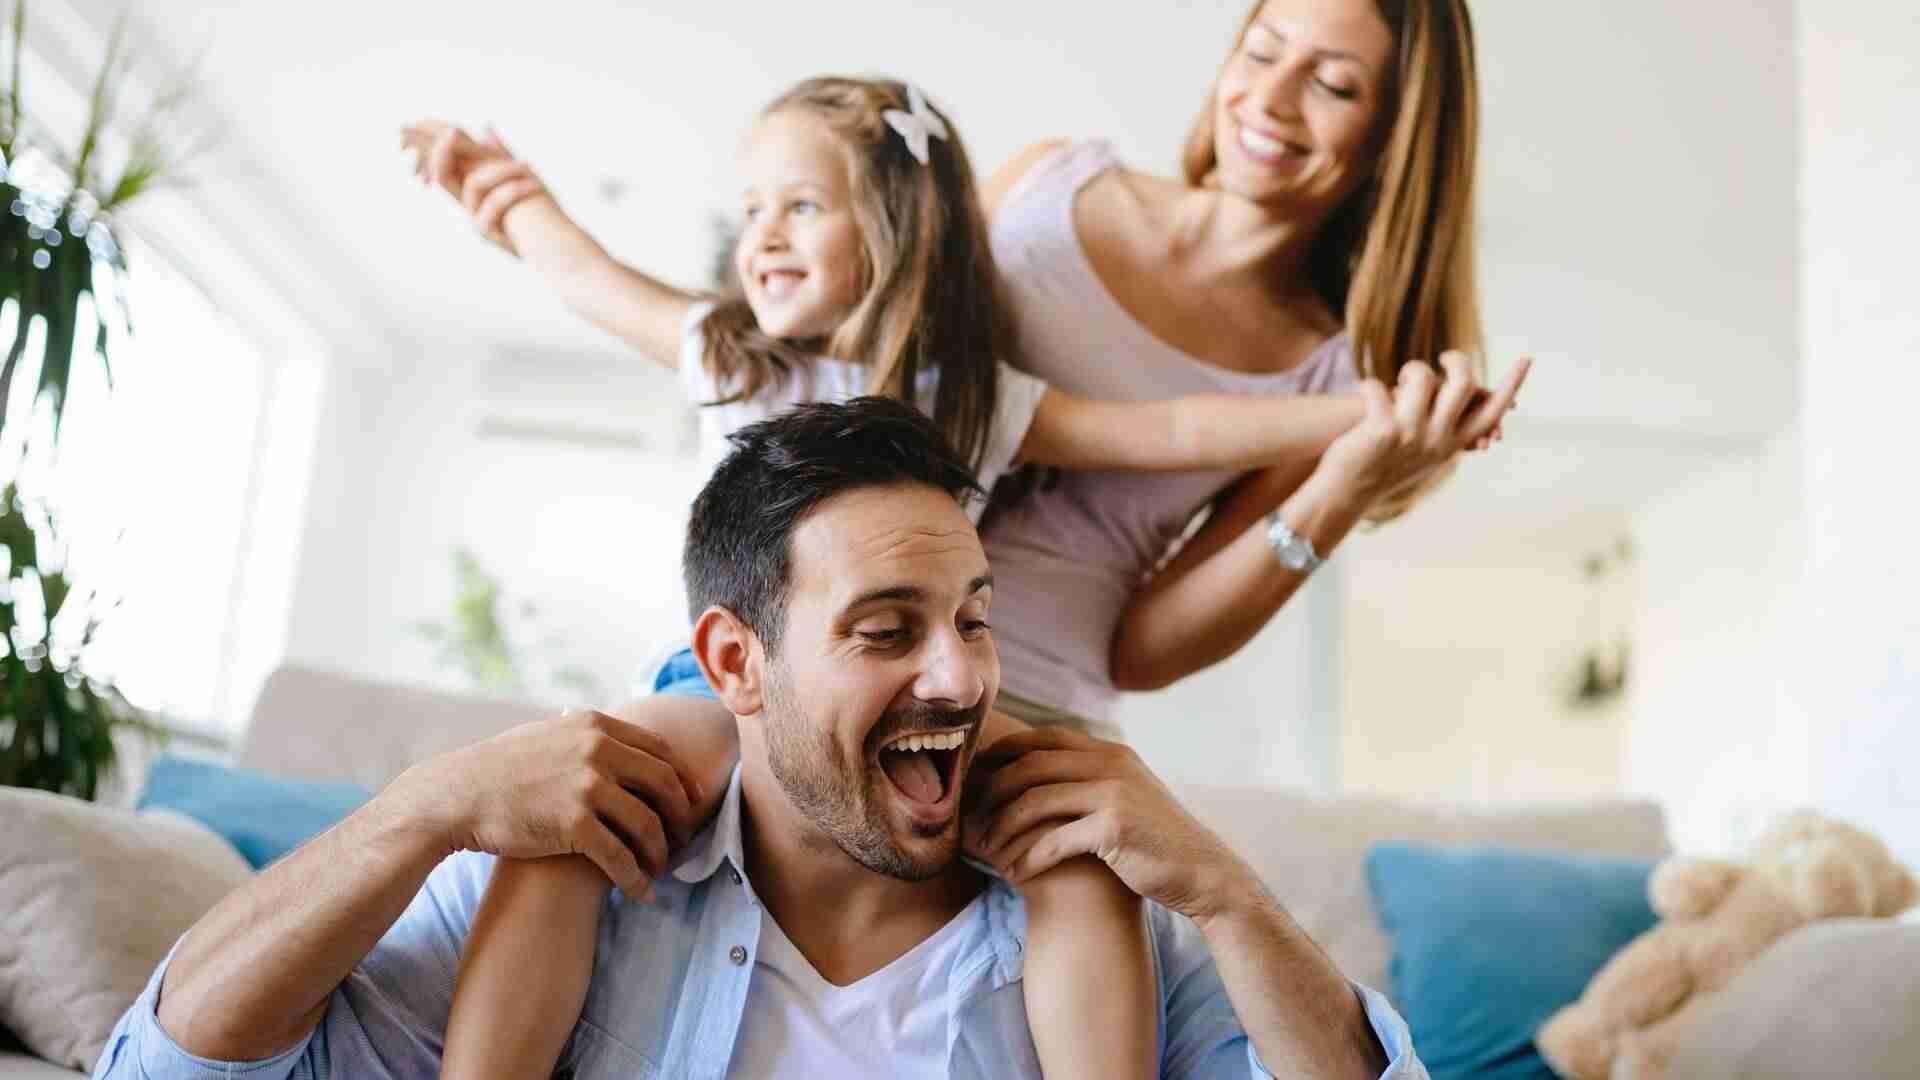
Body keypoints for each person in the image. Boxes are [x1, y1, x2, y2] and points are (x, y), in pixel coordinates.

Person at [398, 71, 1511, 1079]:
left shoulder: (979, 396)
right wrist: (508, 198)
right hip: (715, 698)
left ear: (891, 229)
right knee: (577, 814)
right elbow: (587, 278)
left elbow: (1172, 429)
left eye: (800, 205)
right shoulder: (728, 352)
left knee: (1077, 857)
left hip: (932, 719)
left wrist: (1372, 417)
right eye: (753, 209)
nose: (762, 235)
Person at [93, 397, 1426, 1079]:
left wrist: (1229, 894)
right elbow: (167, 1069)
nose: (962, 675)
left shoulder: (1094, 910)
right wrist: (420, 810)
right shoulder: (581, 863)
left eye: (975, 619)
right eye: (888, 630)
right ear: (735, 661)